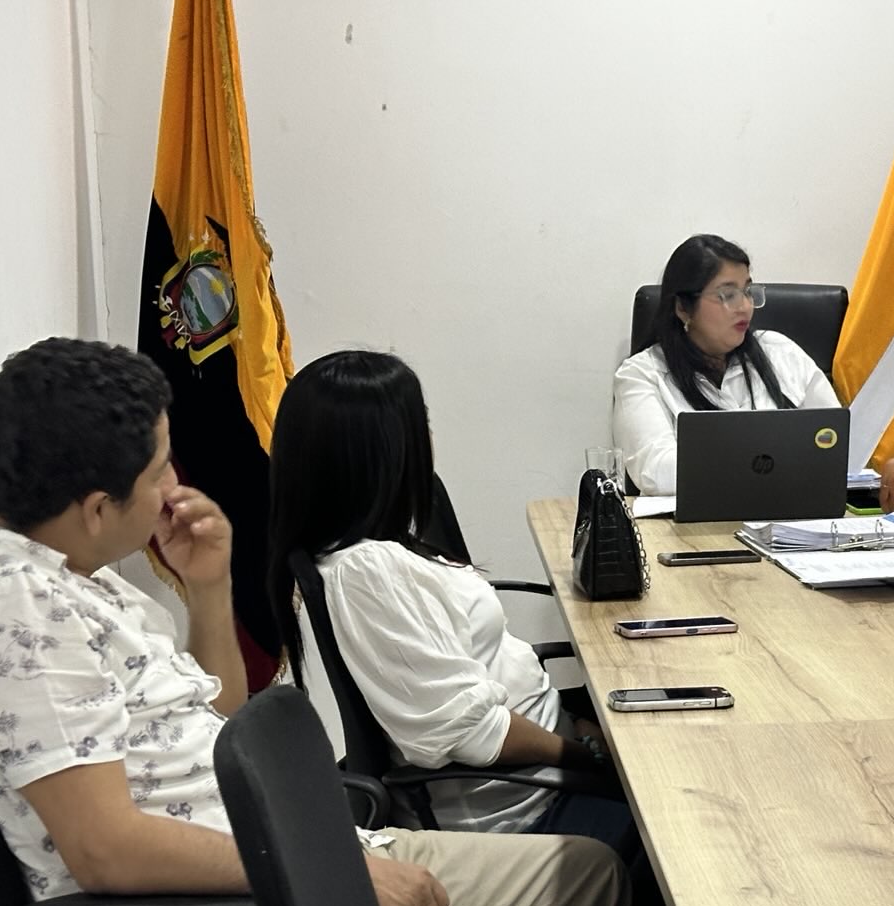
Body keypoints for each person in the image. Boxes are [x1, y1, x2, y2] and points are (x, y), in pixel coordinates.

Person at [0, 338, 669, 906]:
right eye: (161, 468)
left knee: (591, 881)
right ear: (98, 507)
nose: (173, 487)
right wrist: (334, 879)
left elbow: (217, 725)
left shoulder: (69, 578)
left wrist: (208, 589)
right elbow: (106, 849)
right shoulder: (20, 615)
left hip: (285, 869)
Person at [267, 349, 640, 857]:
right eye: (418, 423)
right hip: (528, 808)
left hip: (547, 759)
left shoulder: (377, 548)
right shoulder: (368, 571)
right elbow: (473, 734)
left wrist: (579, 728)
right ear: (382, 450)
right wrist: (589, 752)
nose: (428, 437)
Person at [612, 233, 894, 495]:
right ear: (683, 307)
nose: (745, 307)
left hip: (792, 527)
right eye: (727, 295)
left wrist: (888, 397)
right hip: (692, 534)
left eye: (747, 291)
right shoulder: (642, 375)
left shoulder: (780, 352)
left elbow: (838, 446)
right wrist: (767, 456)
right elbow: (657, 473)